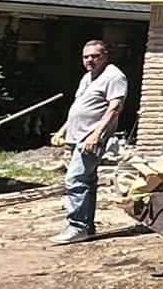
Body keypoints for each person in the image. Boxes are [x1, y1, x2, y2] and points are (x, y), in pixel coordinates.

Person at [53, 39, 128, 244]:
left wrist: (96, 135)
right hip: (78, 136)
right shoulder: (88, 77)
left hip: (91, 138)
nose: (89, 60)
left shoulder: (114, 76)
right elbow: (79, 106)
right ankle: (87, 227)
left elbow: (115, 107)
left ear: (105, 56)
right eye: (86, 57)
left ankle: (77, 227)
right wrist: (62, 131)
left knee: (75, 179)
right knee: (87, 181)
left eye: (95, 56)